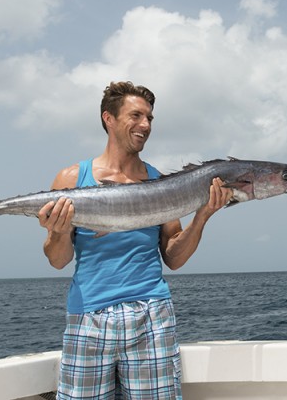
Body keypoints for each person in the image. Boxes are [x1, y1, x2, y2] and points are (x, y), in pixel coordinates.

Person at [39, 81, 233, 400]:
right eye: (136, 115)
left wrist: (202, 215)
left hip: (151, 313)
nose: (145, 125)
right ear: (109, 119)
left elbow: (174, 257)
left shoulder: (161, 183)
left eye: (150, 118)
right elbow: (58, 260)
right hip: (89, 316)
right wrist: (59, 231)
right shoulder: (72, 178)